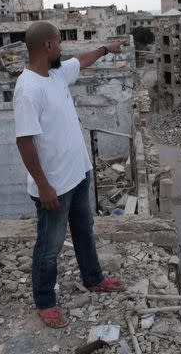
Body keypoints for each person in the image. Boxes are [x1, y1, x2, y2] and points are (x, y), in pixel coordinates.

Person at [14, 21, 127, 328]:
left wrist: (106, 49)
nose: (63, 48)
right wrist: (43, 186)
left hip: (77, 175)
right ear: (48, 46)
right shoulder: (28, 89)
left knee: (84, 232)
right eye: (60, 42)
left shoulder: (55, 74)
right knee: (48, 247)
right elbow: (24, 142)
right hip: (54, 187)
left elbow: (82, 60)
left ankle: (94, 279)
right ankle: (45, 301)